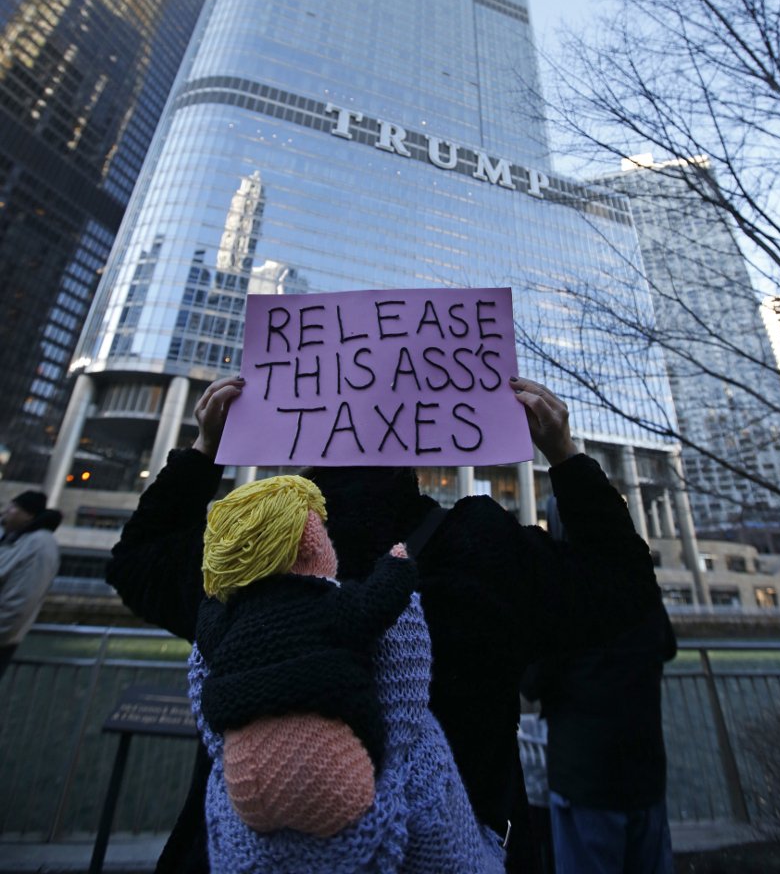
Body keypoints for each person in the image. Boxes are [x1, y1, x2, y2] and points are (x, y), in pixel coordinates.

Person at [107, 374, 663, 874]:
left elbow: (135, 560)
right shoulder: (483, 548)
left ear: (302, 448)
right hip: (453, 851)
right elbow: (624, 584)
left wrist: (205, 449)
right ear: (412, 451)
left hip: (244, 856)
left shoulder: (247, 555)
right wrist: (562, 453)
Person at [192, 474, 506, 872]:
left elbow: (202, 623)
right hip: (338, 776)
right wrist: (395, 565)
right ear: (310, 541)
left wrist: (209, 600)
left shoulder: (230, 622)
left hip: (247, 783)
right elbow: (378, 601)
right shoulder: (331, 606)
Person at [522, 496, 676, 874]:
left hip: (585, 778)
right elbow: (666, 644)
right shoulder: (634, 582)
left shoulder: (559, 591)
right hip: (645, 774)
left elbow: (531, 681)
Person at [0, 490, 62, 676]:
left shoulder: (38, 544)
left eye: (13, 507)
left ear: (28, 515)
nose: (6, 511)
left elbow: (20, 601)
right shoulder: (15, 539)